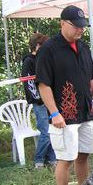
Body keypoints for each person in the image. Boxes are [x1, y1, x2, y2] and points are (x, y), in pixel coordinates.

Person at [36, 5, 93, 185]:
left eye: (82, 26)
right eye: (75, 26)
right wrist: (54, 113)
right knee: (65, 158)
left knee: (83, 155)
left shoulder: (83, 47)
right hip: (64, 116)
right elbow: (43, 85)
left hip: (85, 112)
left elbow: (91, 78)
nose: (80, 30)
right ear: (62, 23)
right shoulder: (49, 49)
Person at [22, 32, 56, 168]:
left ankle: (51, 158)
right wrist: (39, 99)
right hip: (39, 102)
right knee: (45, 132)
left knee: (51, 130)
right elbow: (29, 83)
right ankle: (39, 159)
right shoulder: (29, 61)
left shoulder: (43, 59)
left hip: (49, 100)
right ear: (37, 45)